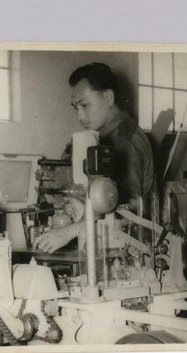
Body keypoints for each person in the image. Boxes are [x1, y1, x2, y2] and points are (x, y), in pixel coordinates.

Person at [34, 62, 156, 253]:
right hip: (104, 240)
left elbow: (128, 209)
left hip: (130, 248)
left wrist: (69, 232)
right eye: (76, 108)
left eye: (85, 105)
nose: (80, 116)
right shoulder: (98, 138)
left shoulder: (126, 140)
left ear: (108, 97)